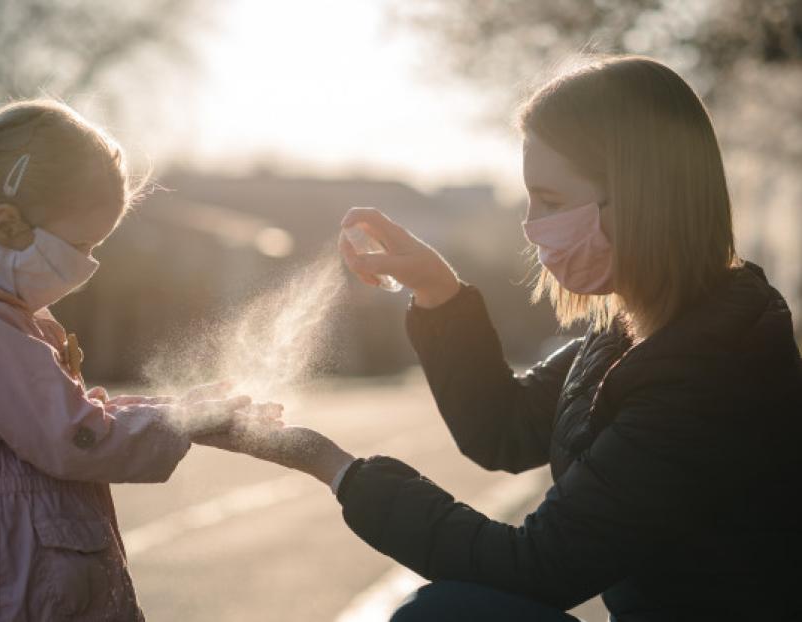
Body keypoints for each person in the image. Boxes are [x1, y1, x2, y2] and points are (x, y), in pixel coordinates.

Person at [196, 56, 802, 620]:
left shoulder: (711, 367)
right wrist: (439, 293)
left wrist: (330, 465)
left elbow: (537, 568)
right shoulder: (631, 331)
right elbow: (504, 430)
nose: (532, 225)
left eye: (551, 200)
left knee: (445, 614)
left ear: (643, 195)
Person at [0, 100, 279, 621]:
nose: (88, 263)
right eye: (82, 243)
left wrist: (173, 409)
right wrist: (180, 421)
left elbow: (57, 416)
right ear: (7, 225)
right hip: (7, 581)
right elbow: (71, 436)